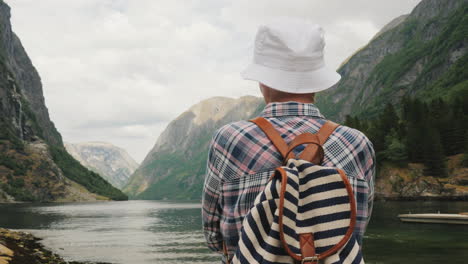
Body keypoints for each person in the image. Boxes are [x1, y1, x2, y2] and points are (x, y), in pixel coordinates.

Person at [202, 18, 375, 263]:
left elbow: (213, 237)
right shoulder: (357, 143)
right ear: (317, 81)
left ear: (262, 81)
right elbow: (357, 229)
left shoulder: (230, 139)